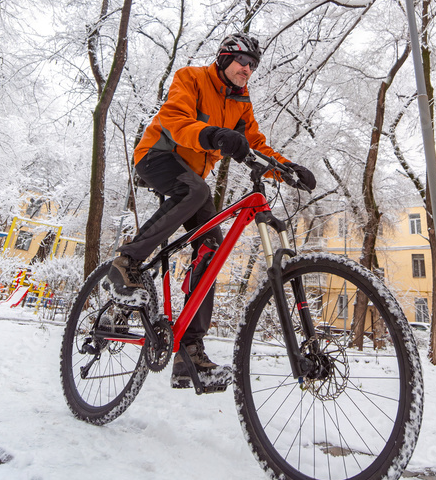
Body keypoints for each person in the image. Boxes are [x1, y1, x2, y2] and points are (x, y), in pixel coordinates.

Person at [105, 33, 316, 391]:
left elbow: (257, 145)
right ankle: (126, 262)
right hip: (157, 156)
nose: (247, 70)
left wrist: (287, 168)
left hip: (192, 176)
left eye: (253, 66)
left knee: (211, 248)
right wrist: (215, 136)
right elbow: (176, 120)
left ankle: (189, 352)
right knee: (196, 189)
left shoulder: (241, 103)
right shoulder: (192, 78)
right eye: (242, 62)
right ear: (223, 58)